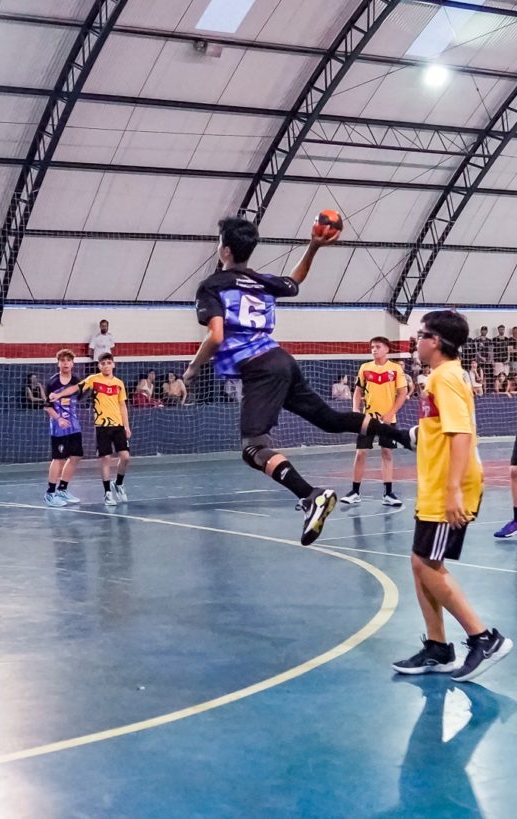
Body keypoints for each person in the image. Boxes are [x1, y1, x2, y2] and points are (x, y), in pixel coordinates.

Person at [183, 216, 411, 546]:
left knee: (253, 448)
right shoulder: (261, 280)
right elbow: (294, 281)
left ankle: (310, 495)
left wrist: (191, 369)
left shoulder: (212, 286)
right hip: (282, 360)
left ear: (226, 250)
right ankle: (403, 436)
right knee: (330, 420)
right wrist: (314, 246)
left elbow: (216, 335)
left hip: (259, 368)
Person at [392, 310, 512, 682]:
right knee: (419, 563)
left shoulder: (445, 378)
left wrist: (454, 489)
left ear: (437, 342)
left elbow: (461, 434)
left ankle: (484, 638)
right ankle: (438, 647)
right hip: (434, 483)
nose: (417, 341)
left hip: (449, 486)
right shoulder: (439, 378)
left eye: (422, 335)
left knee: (429, 565)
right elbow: (441, 429)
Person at [51, 353, 131, 506]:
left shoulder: (119, 383)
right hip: (102, 426)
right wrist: (59, 394)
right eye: (103, 363)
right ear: (99, 365)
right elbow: (75, 388)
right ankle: (107, 493)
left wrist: (126, 426)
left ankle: (118, 483)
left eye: (109, 362)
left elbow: (123, 406)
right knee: (105, 458)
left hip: (118, 425)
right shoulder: (93, 380)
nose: (106, 365)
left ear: (113, 364)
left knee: (125, 457)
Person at [341, 337, 408, 507]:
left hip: (388, 419)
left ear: (387, 349)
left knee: (387, 452)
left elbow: (402, 394)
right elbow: (357, 391)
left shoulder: (396, 369)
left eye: (378, 347)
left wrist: (390, 413)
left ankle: (388, 493)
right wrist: (356, 410)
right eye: (372, 347)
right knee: (361, 453)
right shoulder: (364, 368)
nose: (374, 350)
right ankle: (355, 492)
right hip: (367, 419)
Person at [43, 349, 82, 507]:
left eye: (68, 360)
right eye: (62, 360)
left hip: (74, 426)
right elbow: (47, 406)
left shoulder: (76, 381)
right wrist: (58, 419)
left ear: (73, 363)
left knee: (76, 456)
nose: (65, 363)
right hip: (58, 427)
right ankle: (50, 493)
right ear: (58, 363)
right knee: (58, 459)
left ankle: (63, 489)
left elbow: (79, 397)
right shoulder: (52, 382)